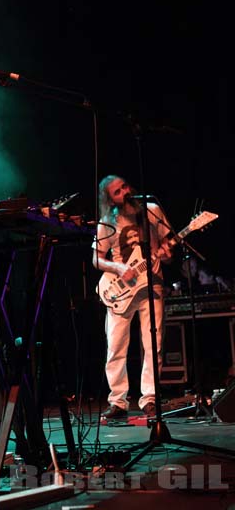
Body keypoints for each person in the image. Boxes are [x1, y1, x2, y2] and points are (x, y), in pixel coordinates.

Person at [92, 175, 173, 419]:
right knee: (116, 346)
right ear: (110, 200)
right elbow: (96, 258)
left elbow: (167, 246)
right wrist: (117, 268)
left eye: (125, 186)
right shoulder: (107, 223)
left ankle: (150, 398)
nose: (125, 192)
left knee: (154, 344)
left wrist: (167, 254)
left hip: (152, 283)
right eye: (117, 191)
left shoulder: (152, 211)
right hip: (120, 290)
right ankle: (118, 401)